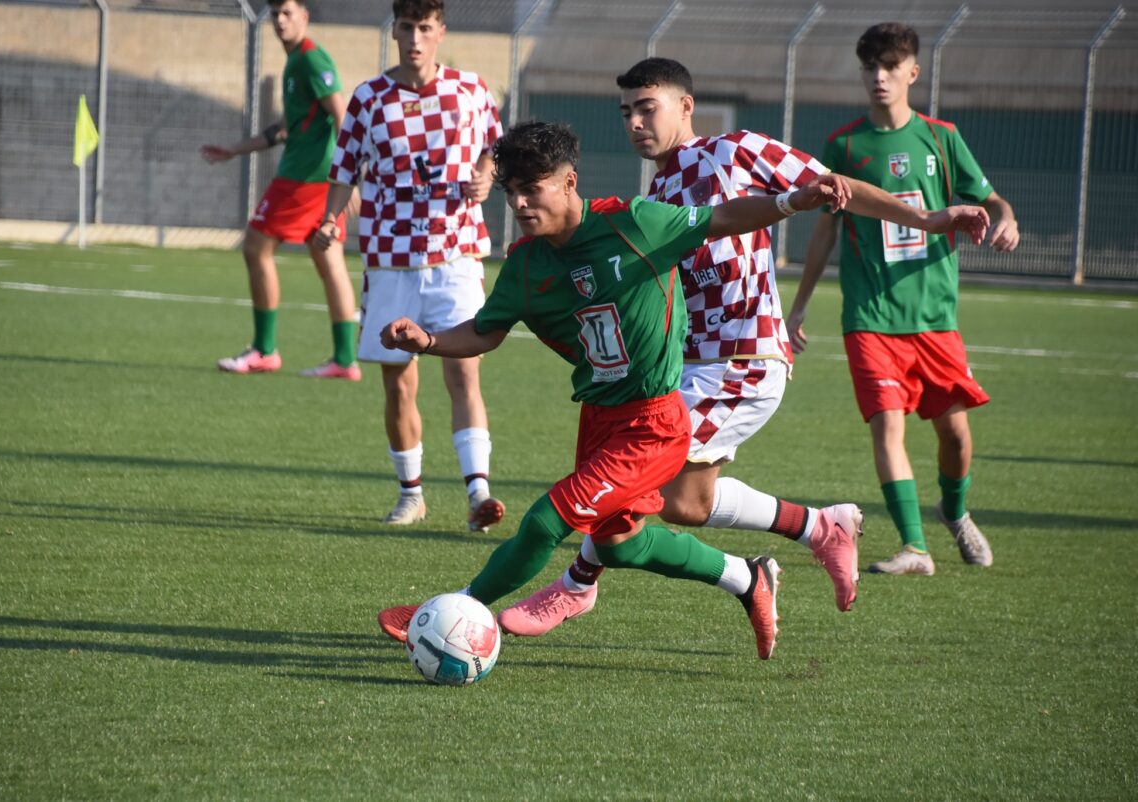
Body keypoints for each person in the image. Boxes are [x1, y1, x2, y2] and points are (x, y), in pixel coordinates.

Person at [497, 57, 992, 636]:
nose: (634, 122)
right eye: (626, 111)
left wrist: (928, 218)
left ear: (686, 106)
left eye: (646, 107)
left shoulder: (732, 151)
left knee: (628, 480)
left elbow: (837, 188)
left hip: (742, 361)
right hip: (690, 367)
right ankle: (818, 527)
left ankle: (575, 587)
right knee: (686, 502)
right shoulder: (658, 187)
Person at [375, 120, 861, 660]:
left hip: (654, 423)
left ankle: (450, 610)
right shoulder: (526, 265)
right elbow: (486, 331)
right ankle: (747, 580)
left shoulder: (637, 224)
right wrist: (429, 341)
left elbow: (723, 217)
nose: (518, 202)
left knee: (545, 520)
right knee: (618, 543)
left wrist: (793, 200)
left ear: (568, 182)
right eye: (511, 191)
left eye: (531, 188)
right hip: (599, 420)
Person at [788, 22, 1020, 576]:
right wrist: (798, 305)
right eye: (869, 67)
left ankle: (955, 513)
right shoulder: (844, 146)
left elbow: (991, 198)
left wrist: (1007, 220)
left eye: (890, 68)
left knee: (956, 437)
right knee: (887, 427)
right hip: (869, 315)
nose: (878, 78)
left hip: (934, 317)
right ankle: (915, 548)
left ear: (912, 73)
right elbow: (825, 230)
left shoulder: (942, 138)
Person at [314, 0, 504, 531]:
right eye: (406, 27)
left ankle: (478, 496)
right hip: (391, 260)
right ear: (394, 30)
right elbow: (345, 169)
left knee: (463, 372)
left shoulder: (470, 89)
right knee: (398, 384)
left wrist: (486, 176)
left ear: (440, 31)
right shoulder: (369, 99)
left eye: (425, 27)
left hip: (457, 254)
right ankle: (411, 494)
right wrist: (332, 220)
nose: (415, 38)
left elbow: (495, 146)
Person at [202, 0, 361, 380]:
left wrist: (350, 176)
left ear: (304, 16)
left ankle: (264, 350)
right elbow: (289, 127)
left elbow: (342, 115)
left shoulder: (310, 59)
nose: (280, 20)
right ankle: (344, 359)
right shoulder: (296, 62)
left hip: (304, 179)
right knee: (330, 261)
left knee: (256, 247)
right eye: (275, 14)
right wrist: (236, 150)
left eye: (288, 13)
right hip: (314, 178)